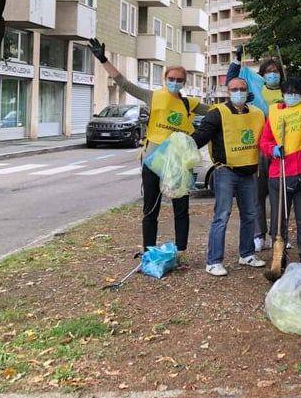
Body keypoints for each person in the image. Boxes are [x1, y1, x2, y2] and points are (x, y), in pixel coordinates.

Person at [88, 38, 210, 262]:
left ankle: (180, 250)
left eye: (179, 80)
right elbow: (124, 83)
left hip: (177, 163)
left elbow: (215, 111)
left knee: (180, 208)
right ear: (165, 79)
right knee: (150, 208)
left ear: (184, 82)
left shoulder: (189, 103)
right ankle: (148, 249)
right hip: (152, 160)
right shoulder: (154, 96)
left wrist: (240, 101)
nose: (175, 82)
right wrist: (104, 60)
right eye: (171, 79)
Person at [190, 78, 267, 276]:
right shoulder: (217, 113)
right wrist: (184, 144)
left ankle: (247, 254)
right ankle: (213, 261)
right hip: (225, 171)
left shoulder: (257, 114)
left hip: (249, 172)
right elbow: (202, 135)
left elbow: (266, 137)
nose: (239, 92)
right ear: (228, 91)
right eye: (234, 89)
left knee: (250, 214)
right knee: (222, 216)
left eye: (242, 89)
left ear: (247, 91)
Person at [260, 50, 301, 266]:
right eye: (288, 92)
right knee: (279, 221)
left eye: (296, 92)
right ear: (283, 93)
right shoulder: (274, 113)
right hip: (279, 174)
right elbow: (264, 141)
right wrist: (272, 149)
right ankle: (280, 259)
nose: (292, 95)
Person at [226, 46, 285, 253]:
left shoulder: (287, 91)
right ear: (262, 75)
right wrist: (236, 59)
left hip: (282, 149)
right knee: (257, 194)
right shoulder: (255, 87)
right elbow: (231, 80)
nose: (272, 75)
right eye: (268, 71)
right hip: (260, 146)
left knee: (280, 194)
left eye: (276, 71)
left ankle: (279, 234)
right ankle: (259, 234)